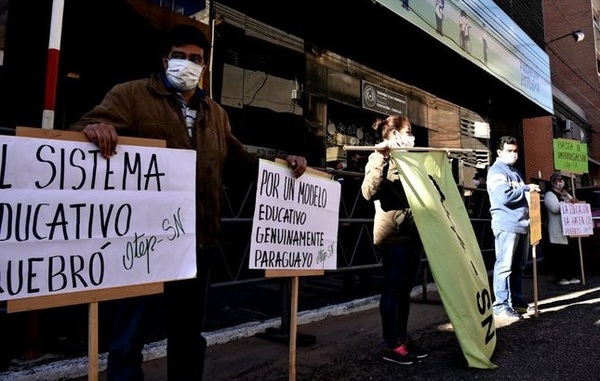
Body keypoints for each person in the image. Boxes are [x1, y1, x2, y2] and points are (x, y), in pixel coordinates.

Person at [69, 24, 307, 380]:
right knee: (128, 338)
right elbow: (79, 132)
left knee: (188, 335)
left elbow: (240, 163)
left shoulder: (217, 114)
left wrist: (284, 168)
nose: (187, 63)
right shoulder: (130, 95)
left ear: (205, 67)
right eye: (179, 56)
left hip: (199, 242)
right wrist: (94, 130)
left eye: (195, 58)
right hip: (142, 243)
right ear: (165, 60)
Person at [361, 115, 429, 365]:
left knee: (405, 290)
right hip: (393, 236)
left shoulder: (411, 159)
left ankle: (402, 337)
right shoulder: (379, 158)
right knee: (393, 289)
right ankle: (391, 344)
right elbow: (368, 192)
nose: (412, 137)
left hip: (413, 234)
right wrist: (382, 157)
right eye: (408, 132)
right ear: (393, 135)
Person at [486, 136, 540, 321]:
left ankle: (516, 302)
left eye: (515, 151)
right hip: (506, 224)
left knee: (518, 266)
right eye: (509, 151)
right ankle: (501, 305)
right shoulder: (496, 171)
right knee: (504, 266)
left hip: (521, 224)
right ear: (499, 152)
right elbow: (505, 196)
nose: (513, 154)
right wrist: (526, 188)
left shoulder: (514, 173)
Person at [543, 172, 581, 286]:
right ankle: (560, 277)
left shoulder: (565, 193)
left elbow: (575, 202)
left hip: (568, 228)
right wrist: (567, 203)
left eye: (561, 180)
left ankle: (570, 275)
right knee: (559, 255)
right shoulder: (549, 194)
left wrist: (568, 199)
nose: (560, 183)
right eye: (557, 180)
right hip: (557, 229)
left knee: (569, 254)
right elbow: (555, 208)